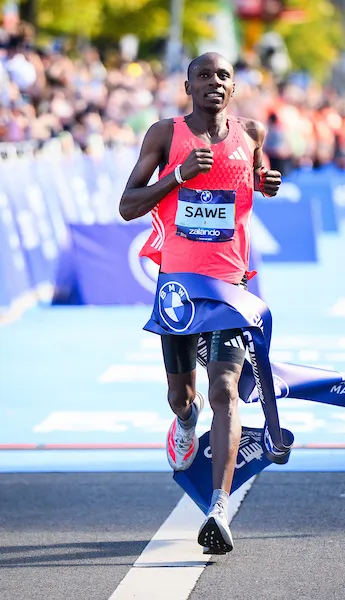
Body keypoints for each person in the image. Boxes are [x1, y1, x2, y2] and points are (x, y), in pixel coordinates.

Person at [119, 52, 281, 554]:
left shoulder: (251, 133)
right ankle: (186, 423)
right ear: (188, 86)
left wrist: (265, 183)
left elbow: (256, 177)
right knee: (182, 396)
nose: (214, 82)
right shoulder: (164, 135)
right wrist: (178, 176)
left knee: (226, 390)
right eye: (204, 76)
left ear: (233, 88)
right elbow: (127, 205)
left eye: (223, 76)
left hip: (230, 286)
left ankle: (218, 507)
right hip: (179, 289)